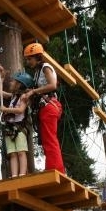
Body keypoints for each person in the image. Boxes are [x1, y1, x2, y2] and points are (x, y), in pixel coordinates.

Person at [23, 42, 65, 173]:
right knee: (47, 139)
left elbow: (52, 85)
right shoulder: (38, 71)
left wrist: (33, 91)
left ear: (38, 57)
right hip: (45, 107)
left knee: (50, 139)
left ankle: (55, 168)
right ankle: (52, 167)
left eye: (30, 59)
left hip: (49, 106)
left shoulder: (45, 67)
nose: (28, 62)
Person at [0, 72, 33, 178]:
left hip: (19, 128)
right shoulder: (13, 96)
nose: (11, 83)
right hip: (10, 128)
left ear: (19, 84)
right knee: (12, 153)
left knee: (21, 152)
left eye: (14, 81)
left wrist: (6, 109)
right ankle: (14, 175)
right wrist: (1, 78)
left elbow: (20, 110)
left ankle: (22, 174)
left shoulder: (24, 97)